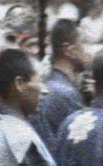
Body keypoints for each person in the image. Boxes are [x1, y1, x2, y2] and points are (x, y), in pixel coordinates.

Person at [34, 17, 88, 151]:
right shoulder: (64, 93)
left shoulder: (54, 84)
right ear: (69, 50)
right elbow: (80, 146)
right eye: (85, 43)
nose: (89, 51)